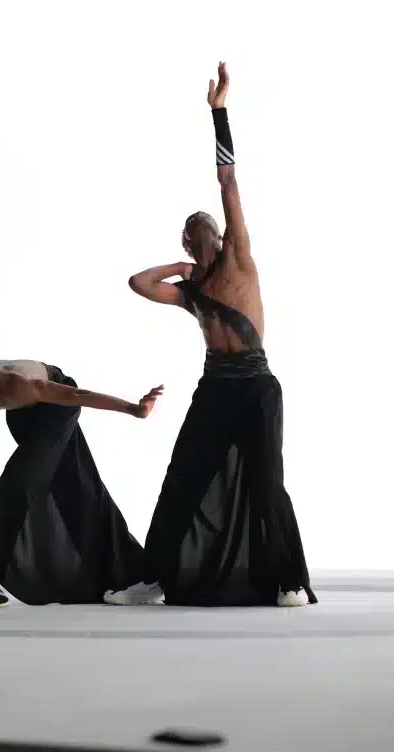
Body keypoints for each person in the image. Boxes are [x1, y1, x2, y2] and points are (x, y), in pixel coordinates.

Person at [106, 62, 317, 608]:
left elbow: (228, 181)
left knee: (267, 482)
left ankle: (289, 580)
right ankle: (154, 579)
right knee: (182, 478)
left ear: (222, 233)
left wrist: (218, 113)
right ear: (186, 239)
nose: (204, 224)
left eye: (211, 223)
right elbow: (138, 283)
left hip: (257, 385)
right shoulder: (191, 291)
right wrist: (179, 268)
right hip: (215, 388)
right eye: (193, 225)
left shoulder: (239, 259)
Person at [0, 307, 164, 607]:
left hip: (57, 406)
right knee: (79, 487)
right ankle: (127, 577)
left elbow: (77, 396)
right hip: (22, 416)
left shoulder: (19, 383)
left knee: (17, 482)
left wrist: (133, 409)